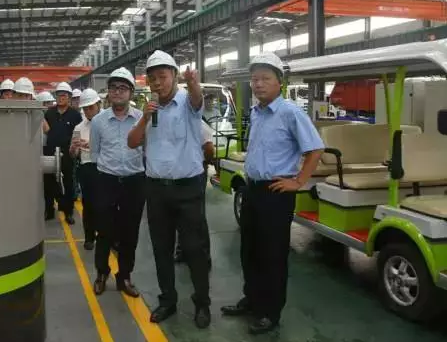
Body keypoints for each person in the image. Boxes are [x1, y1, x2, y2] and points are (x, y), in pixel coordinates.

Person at [220, 52, 324, 335]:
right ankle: (252, 300)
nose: (258, 84)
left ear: (280, 82)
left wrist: (298, 181)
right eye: (254, 79)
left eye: (265, 78)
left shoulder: (290, 112)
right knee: (249, 250)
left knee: (272, 255)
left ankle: (270, 312)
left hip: (276, 193)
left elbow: (316, 148)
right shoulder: (256, 112)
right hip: (252, 189)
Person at [127, 50, 211, 329]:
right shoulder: (149, 109)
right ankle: (168, 300)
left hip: (188, 189)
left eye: (162, 76)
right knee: (161, 248)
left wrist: (193, 83)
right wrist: (144, 118)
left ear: (174, 76)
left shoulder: (188, 102)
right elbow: (132, 142)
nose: (157, 83)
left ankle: (202, 303)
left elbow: (197, 99)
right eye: (152, 78)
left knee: (194, 249)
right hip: (156, 191)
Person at [90, 67, 145, 298]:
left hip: (134, 182)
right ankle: (101, 273)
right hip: (107, 181)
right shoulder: (98, 121)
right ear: (108, 92)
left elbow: (147, 149)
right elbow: (95, 153)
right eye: (113, 88)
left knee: (130, 232)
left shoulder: (142, 118)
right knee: (104, 231)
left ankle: (124, 276)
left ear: (131, 92)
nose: (118, 92)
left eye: (123, 88)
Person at [174, 120, 215, 267]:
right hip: (179, 172)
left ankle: (204, 256)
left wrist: (204, 163)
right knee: (180, 213)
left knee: (197, 214)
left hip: (196, 172)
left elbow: (209, 148)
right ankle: (183, 251)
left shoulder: (197, 122)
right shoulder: (175, 121)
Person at [44, 82, 82, 223]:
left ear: (69, 97)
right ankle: (49, 210)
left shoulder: (75, 115)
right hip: (50, 153)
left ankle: (68, 212)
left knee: (68, 183)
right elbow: (44, 131)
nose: (61, 98)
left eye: (64, 95)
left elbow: (78, 134)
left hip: (67, 154)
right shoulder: (49, 113)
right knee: (48, 182)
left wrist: (76, 151)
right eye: (58, 95)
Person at [69, 88, 102, 250]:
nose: (88, 111)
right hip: (87, 168)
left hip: (105, 167)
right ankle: (89, 237)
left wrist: (93, 145)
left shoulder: (108, 123)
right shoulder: (79, 127)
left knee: (105, 204)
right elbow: (73, 154)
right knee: (88, 205)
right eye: (85, 108)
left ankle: (107, 236)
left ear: (98, 105)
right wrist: (74, 148)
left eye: (91, 107)